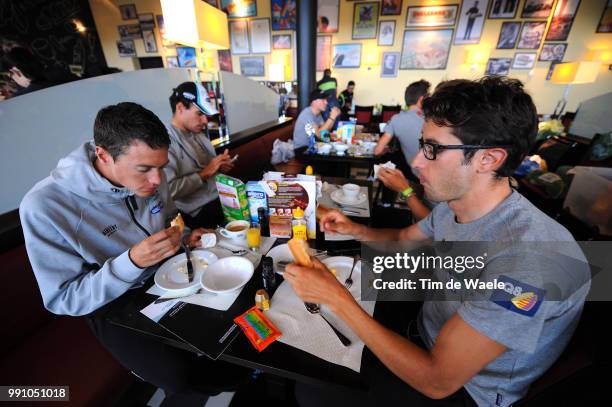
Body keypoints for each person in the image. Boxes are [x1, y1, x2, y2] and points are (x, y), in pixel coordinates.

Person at [285, 77, 590, 407]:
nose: (416, 162)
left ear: (489, 159)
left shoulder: (531, 259)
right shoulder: (453, 205)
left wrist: (336, 297)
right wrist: (354, 229)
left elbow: (437, 381)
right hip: (426, 327)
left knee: (312, 387)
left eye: (433, 149)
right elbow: (404, 238)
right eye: (422, 144)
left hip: (465, 390)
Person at [20, 102, 248, 406]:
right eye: (144, 169)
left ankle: (240, 378)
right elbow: (64, 299)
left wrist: (183, 235)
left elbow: (167, 218)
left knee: (235, 315)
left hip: (167, 273)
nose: (156, 180)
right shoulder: (44, 207)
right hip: (109, 300)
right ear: (103, 155)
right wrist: (130, 263)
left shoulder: (155, 175)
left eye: (161, 167)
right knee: (177, 376)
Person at [164, 82, 234, 229]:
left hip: (221, 196)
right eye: (200, 113)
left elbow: (210, 169)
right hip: (200, 211)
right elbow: (169, 190)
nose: (205, 120)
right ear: (180, 108)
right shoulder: (165, 141)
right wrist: (205, 173)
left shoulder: (196, 133)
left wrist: (220, 167)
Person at [375, 79, 431, 177]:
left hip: (415, 175)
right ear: (421, 99)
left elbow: (377, 151)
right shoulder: (432, 119)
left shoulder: (396, 119)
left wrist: (387, 149)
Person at [292, 89, 340, 154]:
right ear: (314, 101)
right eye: (323, 99)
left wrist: (333, 117)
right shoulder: (307, 114)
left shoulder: (318, 114)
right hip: (302, 150)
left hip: (313, 147)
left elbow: (325, 131)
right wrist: (332, 117)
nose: (326, 102)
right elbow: (318, 135)